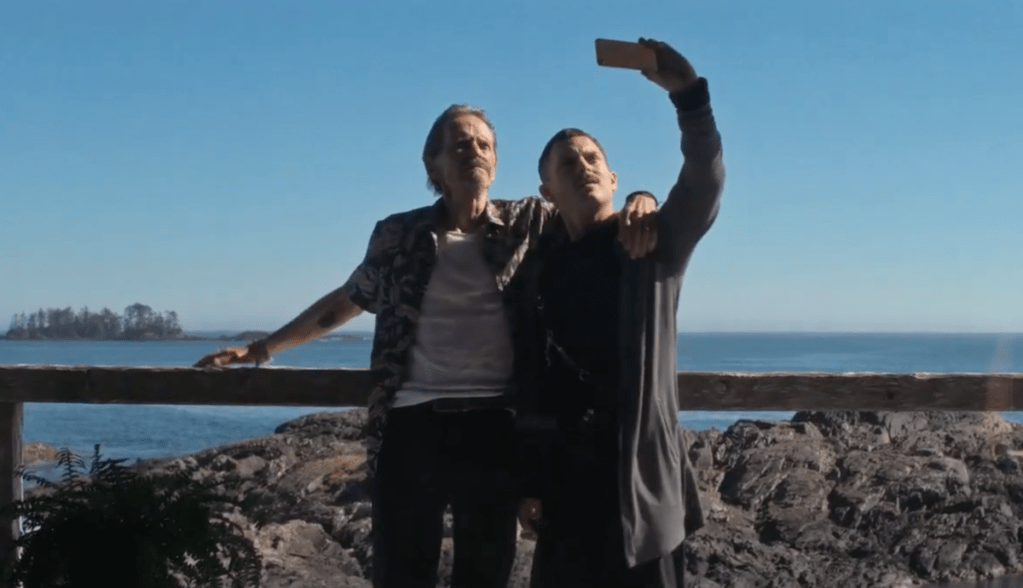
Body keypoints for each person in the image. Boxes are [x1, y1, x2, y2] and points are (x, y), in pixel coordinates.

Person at [194, 105, 658, 587]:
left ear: (496, 162)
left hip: (496, 430)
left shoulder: (529, 221)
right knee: (401, 574)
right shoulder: (398, 235)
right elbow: (348, 300)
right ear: (433, 164)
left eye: (484, 144)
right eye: (460, 143)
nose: (474, 151)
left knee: (484, 576)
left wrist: (642, 198)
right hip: (411, 427)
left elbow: (593, 208)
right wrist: (262, 348)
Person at [513, 38, 724, 587]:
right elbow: (537, 381)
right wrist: (531, 478)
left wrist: (689, 96)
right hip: (566, 489)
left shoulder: (651, 242)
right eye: (567, 163)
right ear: (547, 191)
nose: (582, 166)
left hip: (642, 492)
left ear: (612, 178)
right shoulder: (538, 268)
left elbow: (704, 178)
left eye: (592, 159)